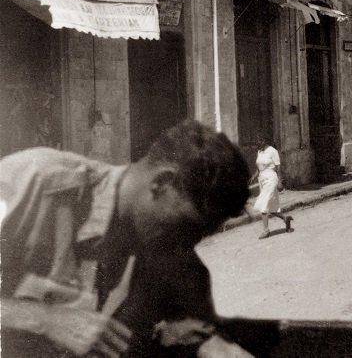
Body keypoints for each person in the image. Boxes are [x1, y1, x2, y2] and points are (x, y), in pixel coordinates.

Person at [0, 121, 255, 357]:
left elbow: (194, 336)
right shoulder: (31, 181)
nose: (188, 245)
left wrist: (207, 345)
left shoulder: (178, 263)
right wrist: (46, 320)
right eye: (187, 228)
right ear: (162, 183)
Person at [253, 137, 293, 239]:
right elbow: (259, 167)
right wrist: (253, 176)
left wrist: (280, 181)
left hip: (271, 179)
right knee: (271, 207)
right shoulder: (260, 151)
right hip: (262, 179)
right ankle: (285, 218)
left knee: (264, 204)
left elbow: (278, 167)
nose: (257, 144)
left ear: (264, 141)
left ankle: (266, 231)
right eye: (256, 142)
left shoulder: (273, 151)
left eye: (259, 142)